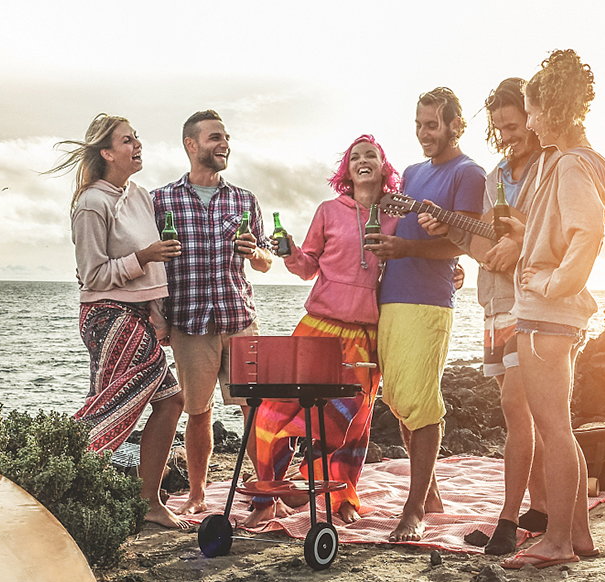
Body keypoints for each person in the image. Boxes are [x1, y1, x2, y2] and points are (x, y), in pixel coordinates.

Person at [241, 135, 403, 528]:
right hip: (317, 328)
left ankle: (340, 498)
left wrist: (452, 271)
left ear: (384, 168)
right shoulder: (329, 211)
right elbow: (307, 267)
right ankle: (269, 495)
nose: (363, 161)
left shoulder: (399, 214)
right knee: (271, 412)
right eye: (355, 157)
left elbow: (414, 263)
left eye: (371, 156)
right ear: (346, 171)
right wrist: (290, 252)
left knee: (348, 424)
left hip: (365, 335)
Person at [498, 50, 605, 570]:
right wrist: (532, 244)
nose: (531, 122)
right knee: (560, 427)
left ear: (553, 109)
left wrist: (549, 280)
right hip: (556, 314)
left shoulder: (568, 163)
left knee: (553, 432)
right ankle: (581, 537)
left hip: (548, 314)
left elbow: (587, 233)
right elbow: (566, 228)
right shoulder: (583, 161)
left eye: (534, 111)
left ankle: (558, 543)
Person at [420, 77, 547, 555]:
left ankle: (509, 521)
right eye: (500, 129)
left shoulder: (548, 171)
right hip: (494, 305)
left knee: (519, 410)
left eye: (514, 126)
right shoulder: (495, 177)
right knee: (520, 413)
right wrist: (448, 230)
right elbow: (481, 247)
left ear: (533, 120)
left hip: (533, 304)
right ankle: (540, 507)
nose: (508, 136)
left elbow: (552, 235)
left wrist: (519, 244)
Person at [52, 113, 189, 530]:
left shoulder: (139, 195)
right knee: (115, 404)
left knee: (170, 401)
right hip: (107, 316)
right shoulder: (91, 203)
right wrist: (144, 257)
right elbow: (92, 275)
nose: (137, 145)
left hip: (138, 315)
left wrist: (158, 315)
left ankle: (146, 499)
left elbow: (152, 274)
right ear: (107, 153)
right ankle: (56, 469)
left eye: (137, 138)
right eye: (127, 140)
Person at [365, 88, 486, 542]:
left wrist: (409, 249)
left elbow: (462, 243)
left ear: (455, 124)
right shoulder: (412, 173)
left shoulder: (468, 173)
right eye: (418, 124)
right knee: (398, 397)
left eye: (432, 124)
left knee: (422, 401)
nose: (423, 133)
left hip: (429, 301)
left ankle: (413, 509)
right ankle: (430, 491)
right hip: (390, 296)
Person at [151, 110, 274, 516]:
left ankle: (265, 496)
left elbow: (266, 260)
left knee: (252, 410)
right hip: (189, 323)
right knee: (197, 412)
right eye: (215, 138)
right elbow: (154, 265)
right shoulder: (162, 200)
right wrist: (159, 318)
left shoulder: (244, 200)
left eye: (225, 138)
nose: (224, 144)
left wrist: (255, 251)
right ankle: (198, 494)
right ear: (191, 144)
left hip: (239, 318)